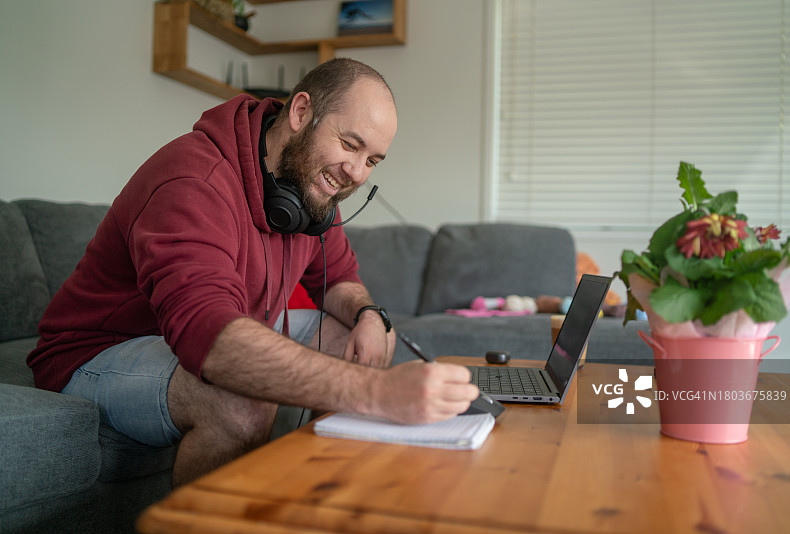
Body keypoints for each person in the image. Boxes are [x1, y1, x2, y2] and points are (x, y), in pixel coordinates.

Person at [27, 58, 479, 486]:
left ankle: (321, 502)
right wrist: (377, 392)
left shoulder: (310, 191)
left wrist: (368, 315)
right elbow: (210, 338)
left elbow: (338, 280)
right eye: (350, 145)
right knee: (239, 400)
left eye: (373, 161)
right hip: (96, 353)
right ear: (302, 111)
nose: (356, 173)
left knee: (350, 339)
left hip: (193, 332)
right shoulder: (193, 179)